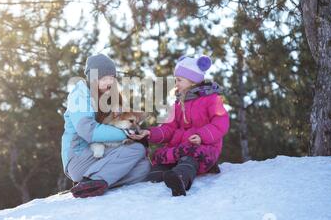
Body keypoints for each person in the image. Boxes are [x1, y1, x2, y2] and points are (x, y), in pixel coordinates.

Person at [128, 55, 230, 196]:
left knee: (189, 160)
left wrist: (202, 136)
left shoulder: (212, 99)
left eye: (179, 80)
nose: (176, 84)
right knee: (162, 159)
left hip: (204, 146)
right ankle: (154, 178)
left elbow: (221, 122)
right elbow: (168, 128)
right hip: (180, 148)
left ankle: (180, 179)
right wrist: (150, 133)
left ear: (193, 81)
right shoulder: (177, 104)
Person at [61, 54, 151, 198]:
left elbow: (125, 119)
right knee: (136, 149)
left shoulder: (111, 96)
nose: (109, 82)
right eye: (103, 78)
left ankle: (94, 183)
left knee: (143, 168)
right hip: (79, 157)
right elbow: (88, 131)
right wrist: (127, 134)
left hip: (101, 157)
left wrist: (138, 132)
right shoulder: (79, 95)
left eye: (111, 78)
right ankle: (93, 180)